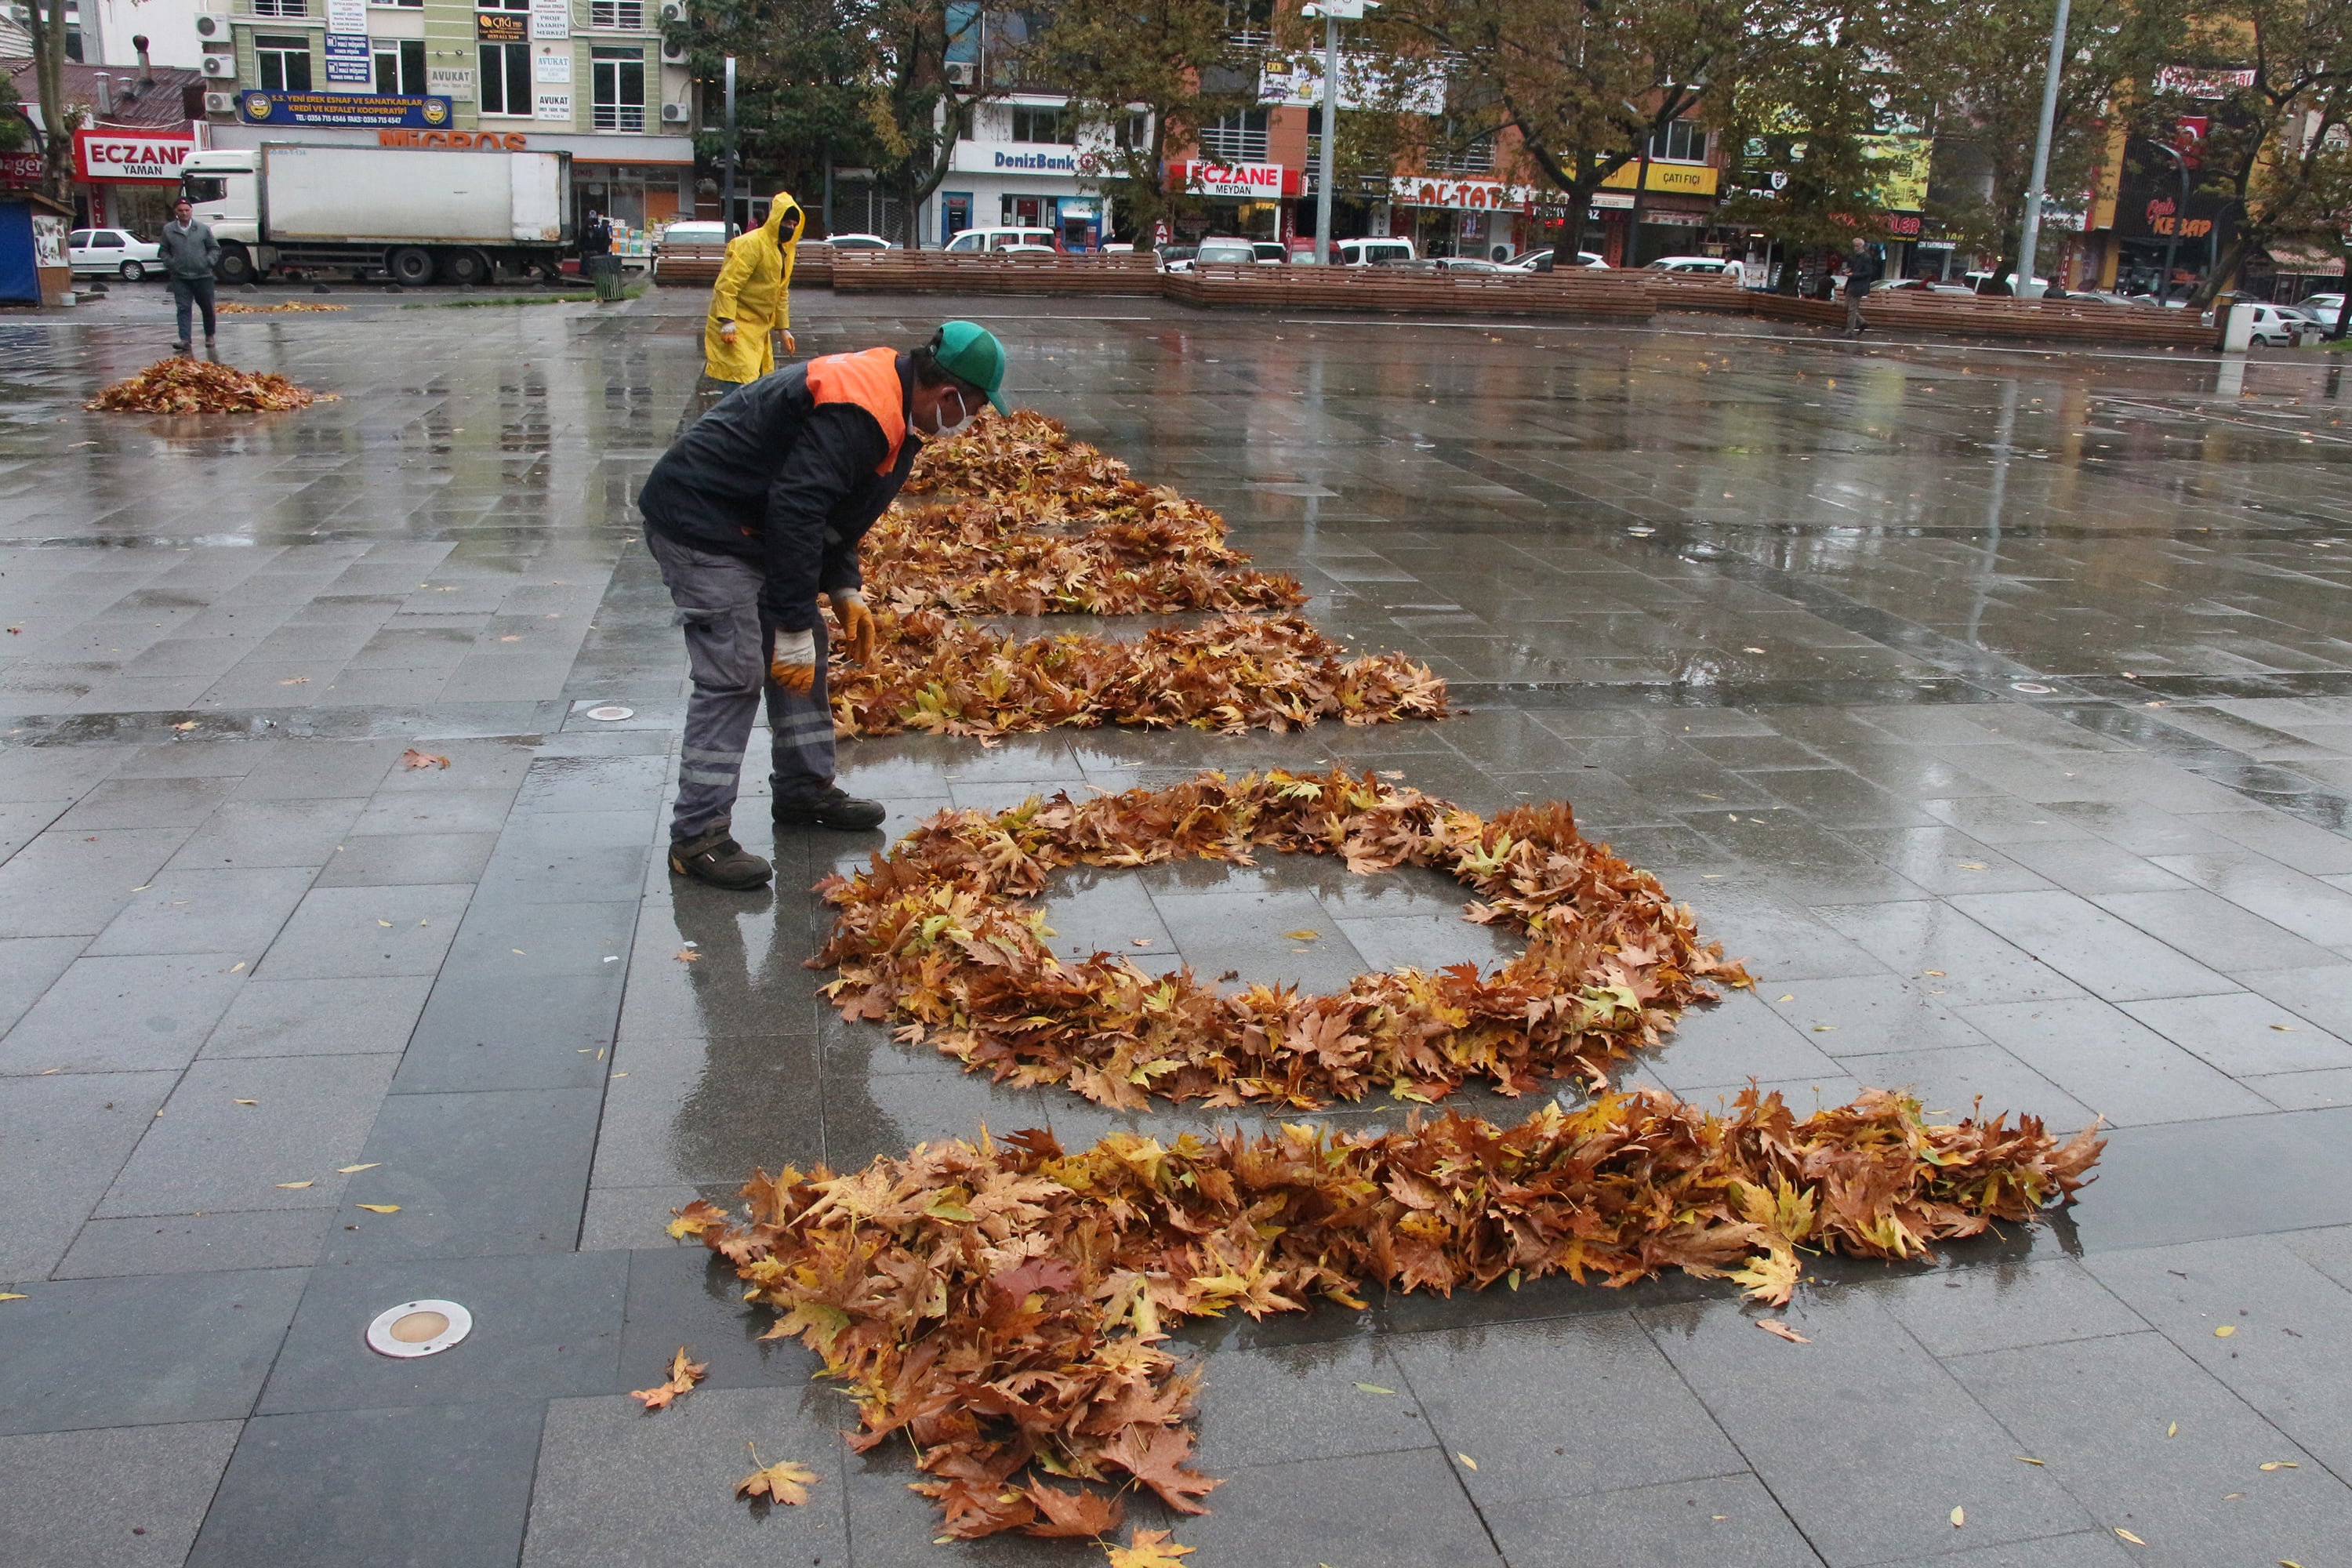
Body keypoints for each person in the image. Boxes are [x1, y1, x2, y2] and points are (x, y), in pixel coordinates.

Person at [637, 321, 1011, 890]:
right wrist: (787, 621)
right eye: (976, 408)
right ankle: (698, 837)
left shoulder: (898, 409)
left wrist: (844, 589)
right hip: (702, 522)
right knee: (735, 673)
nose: (972, 422)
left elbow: (836, 513)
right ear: (949, 395)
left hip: (752, 525)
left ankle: (804, 791)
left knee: (801, 654)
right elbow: (798, 508)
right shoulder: (861, 409)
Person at [689, 190, 805, 424]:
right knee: (738, 383)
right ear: (775, 219)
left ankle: (741, 431)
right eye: (787, 222)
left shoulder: (785, 251)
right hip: (737, 325)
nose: (790, 228)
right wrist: (727, 321)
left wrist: (783, 328)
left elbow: (781, 291)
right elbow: (727, 285)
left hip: (758, 328)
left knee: (756, 383)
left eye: (794, 224)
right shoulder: (750, 245)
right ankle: (728, 433)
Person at [158, 196, 220, 357]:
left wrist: (208, 262)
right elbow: (163, 250)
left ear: (191, 211)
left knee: (207, 308)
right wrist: (171, 263)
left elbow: (215, 248)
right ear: (175, 212)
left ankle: (210, 335)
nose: (184, 213)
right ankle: (185, 339)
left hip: (203, 276)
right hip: (180, 277)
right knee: (183, 308)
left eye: (187, 210)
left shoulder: (202, 229)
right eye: (180, 211)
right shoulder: (169, 230)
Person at [1843, 237, 1882, 336]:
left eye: (1857, 246)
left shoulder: (1866, 257)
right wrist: (1849, 271)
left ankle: (1850, 331)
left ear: (1862, 246)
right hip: (1852, 284)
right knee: (1847, 307)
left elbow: (1868, 272)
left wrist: (1853, 275)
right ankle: (1862, 323)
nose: (1855, 248)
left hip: (1858, 286)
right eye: (1854, 246)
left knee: (1852, 309)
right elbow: (1854, 268)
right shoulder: (1856, 257)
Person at [580, 206, 621, 303]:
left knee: (595, 263)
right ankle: (587, 274)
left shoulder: (599, 232)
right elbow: (582, 242)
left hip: (597, 251)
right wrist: (584, 250)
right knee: (588, 263)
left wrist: (599, 250)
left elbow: (603, 242)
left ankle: (593, 275)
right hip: (589, 251)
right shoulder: (586, 232)